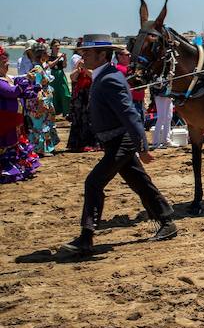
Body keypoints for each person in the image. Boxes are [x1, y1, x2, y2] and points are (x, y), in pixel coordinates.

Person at [60, 34, 176, 256]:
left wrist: (142, 146)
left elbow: (130, 114)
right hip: (114, 140)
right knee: (139, 181)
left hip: (121, 141)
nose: (82, 56)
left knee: (93, 182)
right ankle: (167, 220)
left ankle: (86, 237)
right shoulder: (102, 76)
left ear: (102, 55)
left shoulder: (110, 78)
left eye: (87, 53)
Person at [0, 46, 41, 183]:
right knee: (6, 146)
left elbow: (22, 91)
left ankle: (20, 169)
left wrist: (33, 85)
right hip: (5, 121)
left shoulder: (8, 78)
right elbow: (12, 92)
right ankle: (7, 172)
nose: (8, 66)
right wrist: (25, 82)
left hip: (15, 121)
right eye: (5, 64)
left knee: (16, 145)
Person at [25, 66, 60, 156]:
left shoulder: (33, 82)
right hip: (39, 107)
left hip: (38, 107)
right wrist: (41, 106)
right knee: (41, 128)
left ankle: (39, 149)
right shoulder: (39, 80)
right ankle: (41, 149)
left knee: (39, 128)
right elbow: (40, 97)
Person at [66, 57, 99, 152]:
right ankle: (77, 144)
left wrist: (85, 68)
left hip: (90, 94)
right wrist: (78, 70)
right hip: (80, 96)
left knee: (90, 118)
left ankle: (91, 143)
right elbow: (72, 77)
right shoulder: (79, 63)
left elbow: (94, 76)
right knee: (78, 118)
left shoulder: (94, 64)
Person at [117, 43, 146, 124]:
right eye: (127, 55)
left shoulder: (129, 67)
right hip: (131, 102)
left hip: (138, 102)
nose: (130, 57)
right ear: (120, 56)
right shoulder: (119, 68)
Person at [47, 39, 71, 117]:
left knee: (65, 93)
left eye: (58, 45)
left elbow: (64, 66)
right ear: (52, 47)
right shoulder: (49, 56)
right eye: (56, 46)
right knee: (54, 94)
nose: (58, 47)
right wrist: (58, 58)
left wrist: (65, 58)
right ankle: (55, 113)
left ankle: (66, 112)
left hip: (61, 74)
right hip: (53, 75)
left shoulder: (61, 55)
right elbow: (50, 65)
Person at [150, 83, 173, 149]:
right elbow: (156, 85)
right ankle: (155, 142)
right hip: (160, 95)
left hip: (168, 95)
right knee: (161, 118)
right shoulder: (158, 74)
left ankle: (166, 140)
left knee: (168, 117)